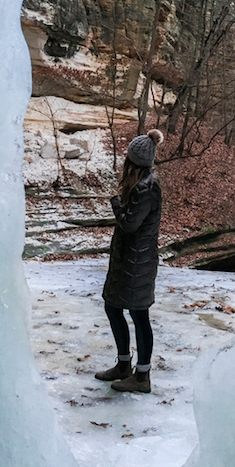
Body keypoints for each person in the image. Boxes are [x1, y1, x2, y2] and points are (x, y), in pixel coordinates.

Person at [95, 129, 164, 393]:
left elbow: (130, 224)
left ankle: (141, 376)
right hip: (129, 261)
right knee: (113, 308)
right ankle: (124, 365)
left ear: (133, 162)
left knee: (139, 314)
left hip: (138, 263)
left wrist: (115, 204)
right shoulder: (142, 184)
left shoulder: (147, 187)